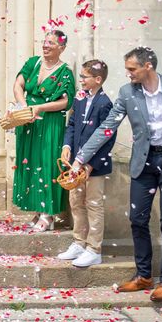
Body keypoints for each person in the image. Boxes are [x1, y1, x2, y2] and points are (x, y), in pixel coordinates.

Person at [72, 47, 162, 302]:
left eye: (132, 69)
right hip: (144, 161)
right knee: (138, 219)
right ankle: (143, 276)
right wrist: (81, 158)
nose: (128, 74)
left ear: (148, 65)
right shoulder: (127, 93)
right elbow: (108, 127)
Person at [11, 30, 75, 232]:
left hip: (50, 123)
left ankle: (49, 214)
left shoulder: (65, 72)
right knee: (30, 163)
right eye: (44, 42)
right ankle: (37, 210)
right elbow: (18, 85)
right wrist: (25, 107)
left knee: (47, 164)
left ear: (61, 48)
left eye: (51, 43)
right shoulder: (33, 63)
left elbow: (66, 101)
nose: (45, 46)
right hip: (29, 121)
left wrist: (40, 108)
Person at [57, 60, 116, 268]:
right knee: (76, 201)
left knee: (93, 204)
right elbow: (72, 124)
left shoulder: (105, 103)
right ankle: (79, 243)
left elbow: (108, 137)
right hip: (76, 164)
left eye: (84, 77)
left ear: (97, 79)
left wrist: (90, 165)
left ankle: (94, 248)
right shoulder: (80, 99)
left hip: (95, 167)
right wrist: (67, 145)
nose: (80, 80)